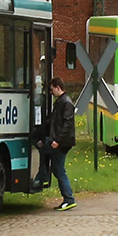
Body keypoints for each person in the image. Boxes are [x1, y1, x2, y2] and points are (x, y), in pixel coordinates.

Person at [46, 77, 76, 210]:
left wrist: (57, 140)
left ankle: (69, 198)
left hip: (62, 142)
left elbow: (67, 124)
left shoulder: (65, 103)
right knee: (57, 169)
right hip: (61, 141)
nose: (51, 92)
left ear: (58, 87)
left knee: (59, 170)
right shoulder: (61, 102)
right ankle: (68, 198)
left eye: (52, 89)